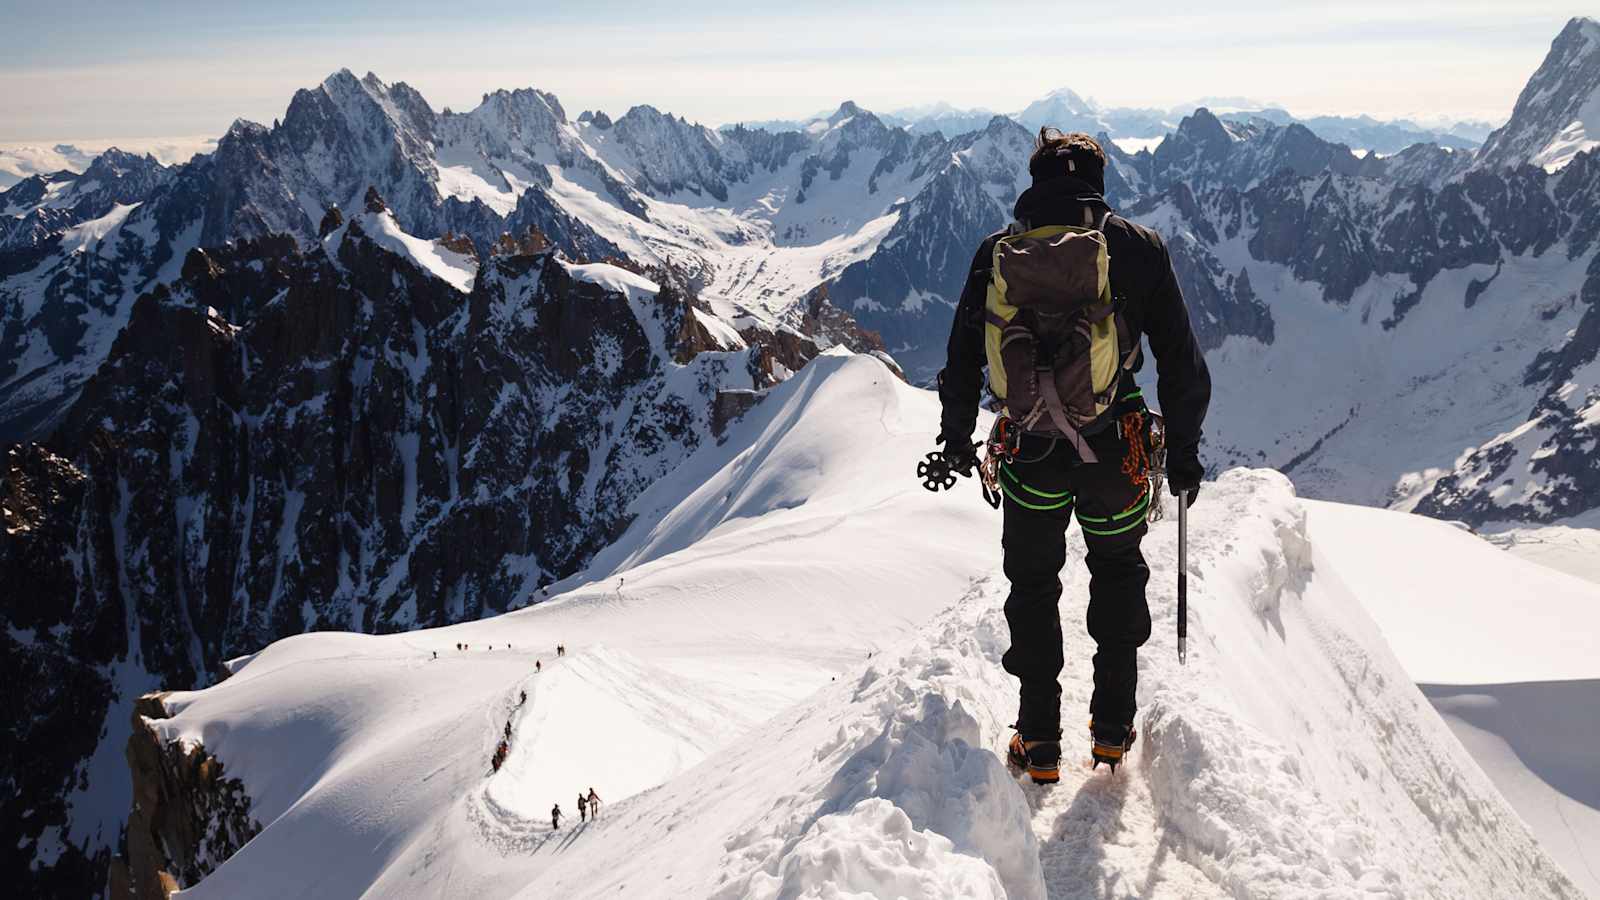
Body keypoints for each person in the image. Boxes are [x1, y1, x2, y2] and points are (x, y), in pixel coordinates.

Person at [935, 129, 1210, 782]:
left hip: (1029, 453)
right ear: (1099, 179)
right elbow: (1182, 362)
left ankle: (1039, 742)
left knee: (1033, 588)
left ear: (1034, 181)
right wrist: (1187, 453)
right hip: (1117, 452)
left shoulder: (997, 252)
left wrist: (954, 440)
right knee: (1117, 574)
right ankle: (1112, 731)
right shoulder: (1137, 248)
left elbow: (961, 361)